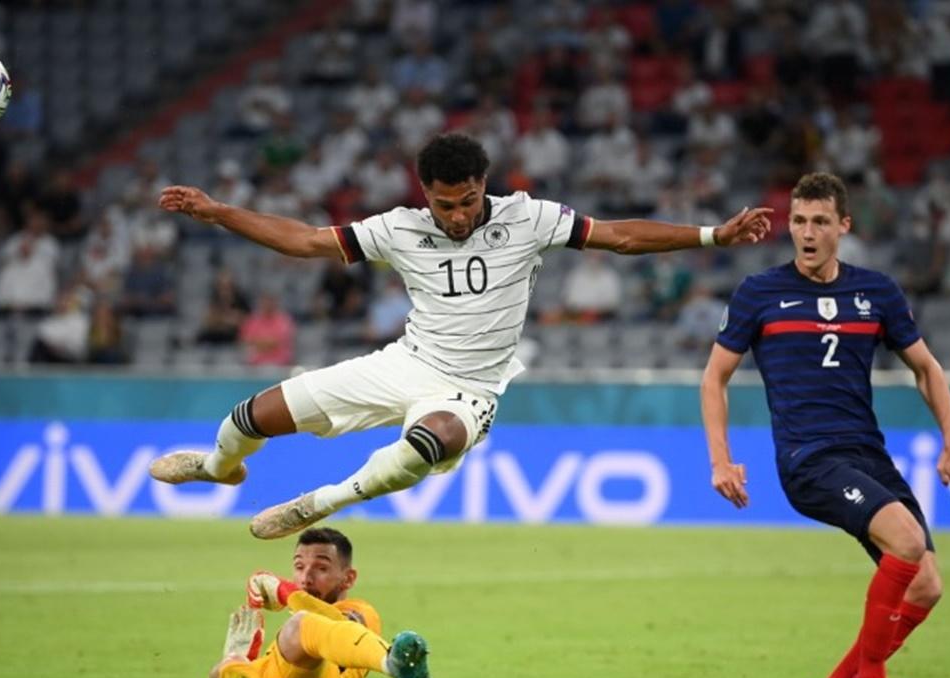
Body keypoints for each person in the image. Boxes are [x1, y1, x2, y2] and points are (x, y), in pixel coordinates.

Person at [150, 132, 772, 539]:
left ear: (484, 186)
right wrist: (220, 212)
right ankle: (216, 467)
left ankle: (319, 503)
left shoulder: (529, 217)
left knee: (434, 438)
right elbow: (307, 242)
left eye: (468, 202)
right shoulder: (398, 228)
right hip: (405, 362)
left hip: (470, 387)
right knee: (252, 417)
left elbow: (622, 237)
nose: (457, 216)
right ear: (426, 194)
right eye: (445, 204)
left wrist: (713, 235)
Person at [701, 172, 950, 678]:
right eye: (798, 221)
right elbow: (715, 377)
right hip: (808, 458)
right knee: (905, 539)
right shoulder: (759, 292)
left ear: (843, 226)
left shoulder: (875, 292)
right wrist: (720, 460)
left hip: (866, 454)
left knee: (926, 584)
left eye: (820, 221)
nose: (806, 232)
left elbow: (927, 368)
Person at [205, 527, 430, 678]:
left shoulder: (361, 615)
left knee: (299, 624)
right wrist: (241, 659)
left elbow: (340, 626)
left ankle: (391, 663)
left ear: (348, 578)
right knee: (222, 673)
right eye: (299, 567)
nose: (306, 578)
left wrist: (284, 592)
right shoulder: (304, 623)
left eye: (321, 568)